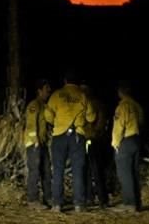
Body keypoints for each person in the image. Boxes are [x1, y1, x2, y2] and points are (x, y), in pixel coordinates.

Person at [44, 71, 95, 213]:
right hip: (78, 136)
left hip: (59, 135)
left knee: (58, 169)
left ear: (65, 81)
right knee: (78, 170)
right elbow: (91, 117)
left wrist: (57, 122)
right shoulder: (83, 96)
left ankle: (57, 204)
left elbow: (47, 115)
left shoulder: (56, 95)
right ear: (77, 82)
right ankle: (79, 204)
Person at [111, 81, 145, 212]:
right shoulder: (137, 106)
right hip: (136, 139)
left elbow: (119, 126)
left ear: (120, 92)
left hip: (126, 140)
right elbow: (141, 122)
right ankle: (137, 203)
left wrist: (115, 143)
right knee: (134, 172)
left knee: (124, 173)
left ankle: (129, 203)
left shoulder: (122, 106)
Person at [24, 78, 52, 209]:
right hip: (34, 144)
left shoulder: (44, 106)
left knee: (46, 171)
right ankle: (32, 200)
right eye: (46, 90)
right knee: (34, 171)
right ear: (39, 91)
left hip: (42, 143)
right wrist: (34, 141)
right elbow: (30, 125)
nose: (48, 92)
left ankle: (48, 198)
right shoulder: (34, 105)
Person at [81, 83, 109, 208]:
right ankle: (90, 198)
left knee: (96, 169)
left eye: (84, 89)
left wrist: (94, 133)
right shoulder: (83, 103)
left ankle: (102, 199)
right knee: (86, 169)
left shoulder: (94, 104)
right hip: (85, 140)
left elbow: (101, 122)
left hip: (92, 140)